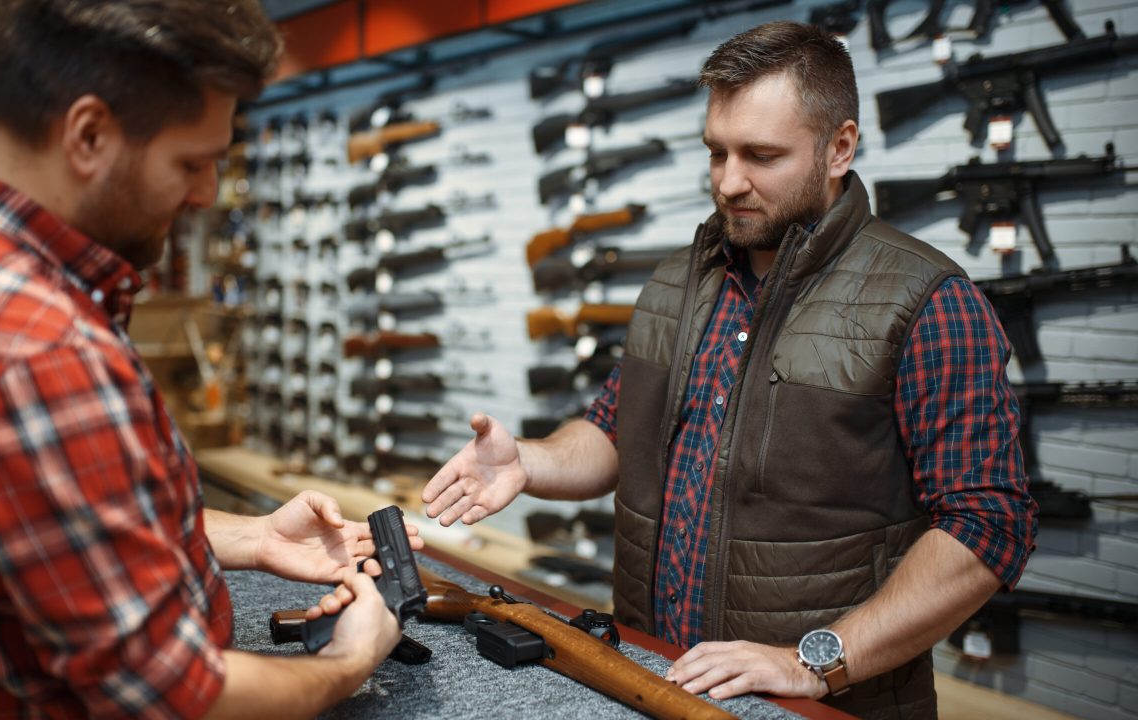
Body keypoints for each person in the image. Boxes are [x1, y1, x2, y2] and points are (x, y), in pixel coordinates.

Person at [423, 20, 1036, 719]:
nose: (728, 181)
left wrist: (816, 660)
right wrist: (527, 464)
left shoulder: (927, 301)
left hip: (819, 706)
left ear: (840, 147)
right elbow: (615, 434)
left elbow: (987, 525)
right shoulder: (676, 283)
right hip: (654, 679)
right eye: (716, 152)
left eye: (761, 155)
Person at [0, 1, 417, 717]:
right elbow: (172, 698)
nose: (208, 192)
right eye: (192, 162)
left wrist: (253, 535)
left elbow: (50, 533)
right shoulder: (35, 352)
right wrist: (348, 660)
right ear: (88, 134)